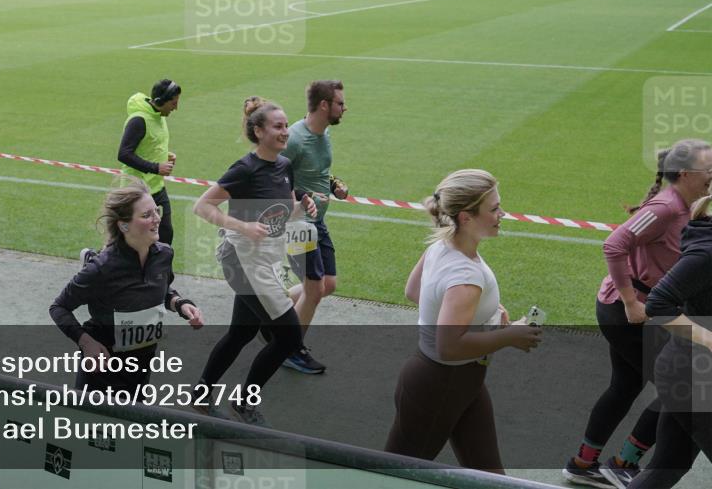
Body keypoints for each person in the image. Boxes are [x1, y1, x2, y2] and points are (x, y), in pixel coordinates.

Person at [564, 139, 712, 489]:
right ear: (686, 173)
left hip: (645, 307)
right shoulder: (665, 206)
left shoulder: (690, 206)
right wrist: (631, 302)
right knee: (677, 389)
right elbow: (615, 243)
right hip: (630, 311)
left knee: (627, 386)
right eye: (709, 168)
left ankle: (585, 463)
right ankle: (623, 463)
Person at [385, 169, 542, 472]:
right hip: (442, 384)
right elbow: (449, 346)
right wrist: (510, 336)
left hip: (458, 382)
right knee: (394, 476)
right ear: (467, 217)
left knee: (490, 476)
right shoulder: (466, 275)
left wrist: (488, 313)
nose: (502, 214)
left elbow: (414, 291)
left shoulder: (441, 246)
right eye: (494, 209)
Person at [192, 97, 317, 426]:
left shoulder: (284, 166)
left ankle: (201, 394)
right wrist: (242, 225)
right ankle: (244, 401)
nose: (284, 131)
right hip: (242, 259)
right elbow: (202, 207)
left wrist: (304, 209)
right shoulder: (244, 169)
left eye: (285, 125)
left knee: (241, 333)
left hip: (267, 259)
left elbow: (285, 213)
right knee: (288, 338)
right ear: (258, 130)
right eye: (277, 126)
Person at [50, 179, 203, 393]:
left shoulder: (164, 254)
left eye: (156, 211)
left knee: (132, 420)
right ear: (124, 225)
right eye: (146, 215)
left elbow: (160, 289)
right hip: (102, 366)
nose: (157, 219)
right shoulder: (102, 268)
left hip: (141, 362)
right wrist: (86, 343)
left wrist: (179, 304)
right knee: (94, 425)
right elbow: (58, 308)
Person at [628, 190, 712, 488]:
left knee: (666, 467)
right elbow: (659, 304)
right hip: (693, 377)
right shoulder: (707, 252)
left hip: (687, 371)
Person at [280, 80, 348, 375]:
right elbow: (275, 179)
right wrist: (302, 197)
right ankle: (289, 348)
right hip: (297, 223)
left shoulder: (324, 133)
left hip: (317, 222)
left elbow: (318, 170)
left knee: (327, 284)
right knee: (314, 288)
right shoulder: (294, 138)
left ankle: (275, 310)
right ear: (324, 105)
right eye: (340, 103)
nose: (344, 108)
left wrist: (334, 186)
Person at [117, 79, 181, 246]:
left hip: (157, 188)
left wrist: (164, 155)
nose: (176, 107)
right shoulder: (139, 120)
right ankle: (96, 260)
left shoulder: (159, 116)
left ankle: (160, 272)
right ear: (161, 101)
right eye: (173, 103)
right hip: (135, 190)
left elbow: (150, 144)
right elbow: (124, 154)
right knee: (129, 239)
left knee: (165, 234)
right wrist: (156, 167)